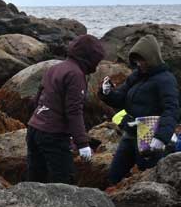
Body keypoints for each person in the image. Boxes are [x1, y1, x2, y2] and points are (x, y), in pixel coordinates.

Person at [25, 34, 105, 184]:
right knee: (63, 181)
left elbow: (37, 99)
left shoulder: (54, 68)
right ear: (90, 58)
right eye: (97, 60)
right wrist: (82, 144)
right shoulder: (75, 74)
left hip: (34, 129)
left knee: (35, 178)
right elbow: (74, 111)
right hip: (53, 135)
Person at [101, 35, 178, 184]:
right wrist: (107, 93)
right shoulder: (136, 76)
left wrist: (161, 138)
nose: (139, 63)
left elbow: (172, 109)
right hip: (130, 134)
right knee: (114, 176)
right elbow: (120, 99)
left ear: (151, 58)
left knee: (147, 178)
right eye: (136, 60)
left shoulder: (166, 80)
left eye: (141, 59)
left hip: (149, 137)